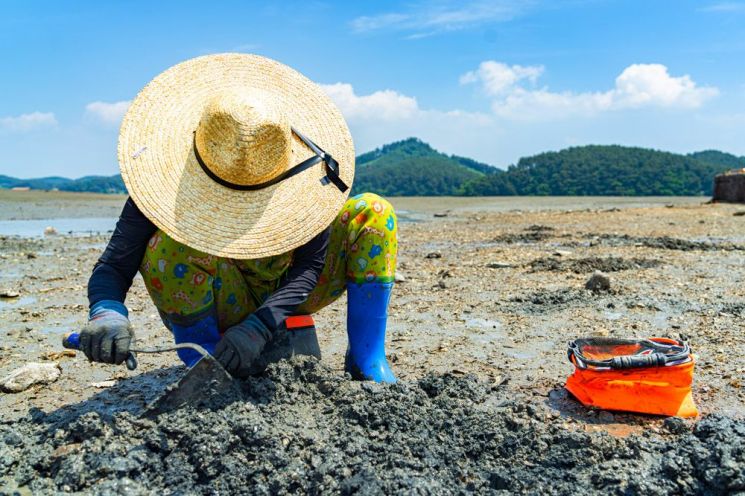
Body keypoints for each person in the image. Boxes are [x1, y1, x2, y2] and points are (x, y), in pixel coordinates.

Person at [78, 53, 398, 382]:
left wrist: (260, 326)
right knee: (167, 245)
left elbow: (310, 266)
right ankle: (205, 364)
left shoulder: (303, 182)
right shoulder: (161, 189)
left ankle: (367, 358)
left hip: (289, 290)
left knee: (374, 212)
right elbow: (114, 265)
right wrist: (107, 312)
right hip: (218, 299)